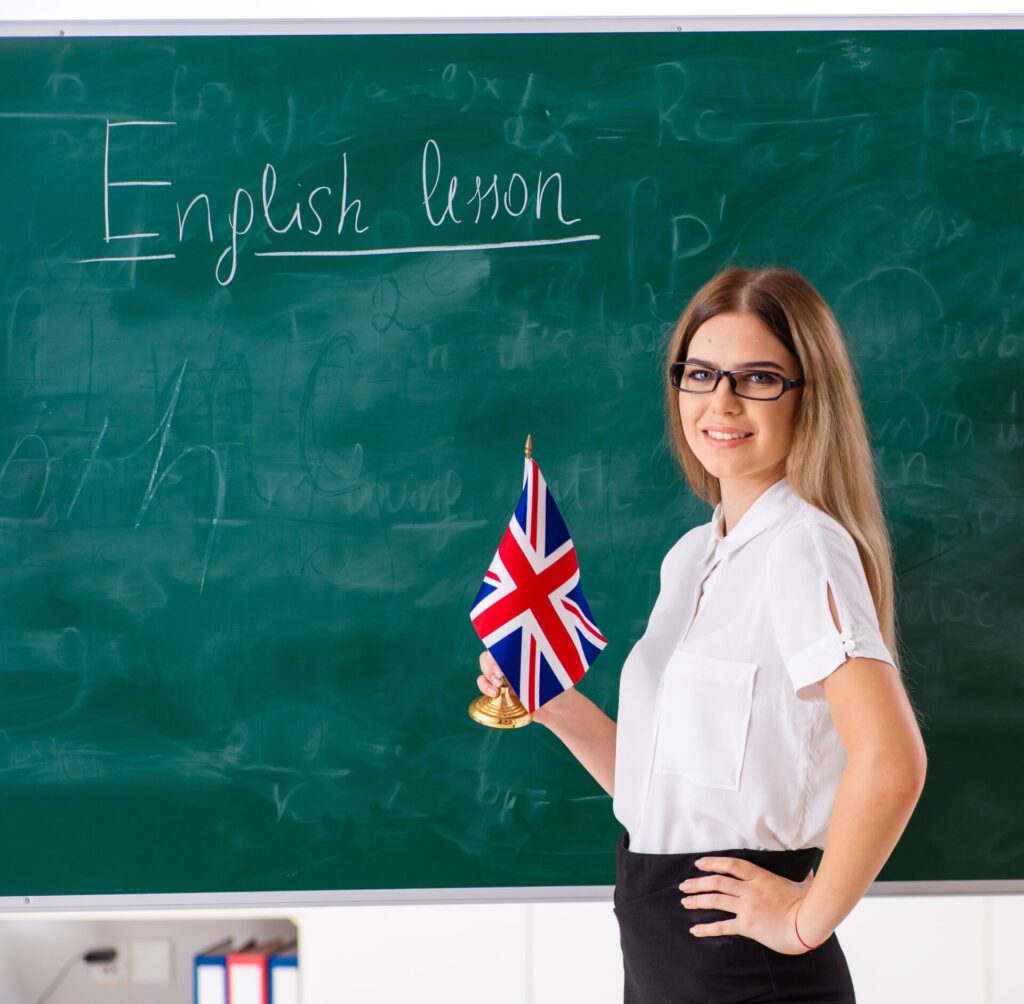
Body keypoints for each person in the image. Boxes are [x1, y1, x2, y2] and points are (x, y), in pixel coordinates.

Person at [476, 266, 928, 1003]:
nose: (720, 401)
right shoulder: (692, 556)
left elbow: (894, 763)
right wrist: (553, 703)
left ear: (807, 397)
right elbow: (660, 792)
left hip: (746, 975)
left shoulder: (802, 548)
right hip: (661, 958)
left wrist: (806, 922)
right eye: (701, 373)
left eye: (756, 378)